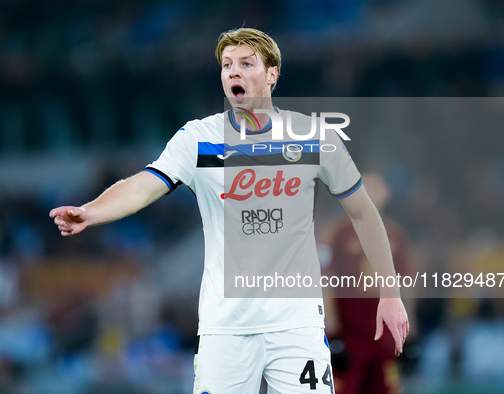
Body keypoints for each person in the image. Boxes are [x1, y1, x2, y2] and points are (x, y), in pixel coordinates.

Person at [50, 28, 409, 393]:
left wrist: (391, 295)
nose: (233, 72)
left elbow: (363, 213)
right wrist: (92, 212)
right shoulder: (197, 138)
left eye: (246, 64)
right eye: (226, 65)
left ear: (272, 74)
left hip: (297, 325)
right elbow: (144, 185)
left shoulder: (315, 137)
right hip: (225, 329)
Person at [319, 173, 413, 394]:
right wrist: (331, 331)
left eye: (376, 187)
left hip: (385, 339)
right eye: (365, 187)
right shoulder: (334, 233)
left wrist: (411, 332)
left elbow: (407, 284)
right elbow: (325, 280)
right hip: (350, 336)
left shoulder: (397, 236)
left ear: (387, 193)